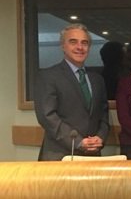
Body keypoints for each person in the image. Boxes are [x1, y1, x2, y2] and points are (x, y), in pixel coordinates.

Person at [34, 23, 109, 160]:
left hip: (92, 155)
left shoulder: (97, 79)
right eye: (73, 42)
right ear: (63, 46)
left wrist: (100, 137)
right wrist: (78, 142)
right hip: (59, 156)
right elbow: (47, 116)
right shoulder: (48, 76)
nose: (80, 47)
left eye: (84, 43)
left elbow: (103, 115)